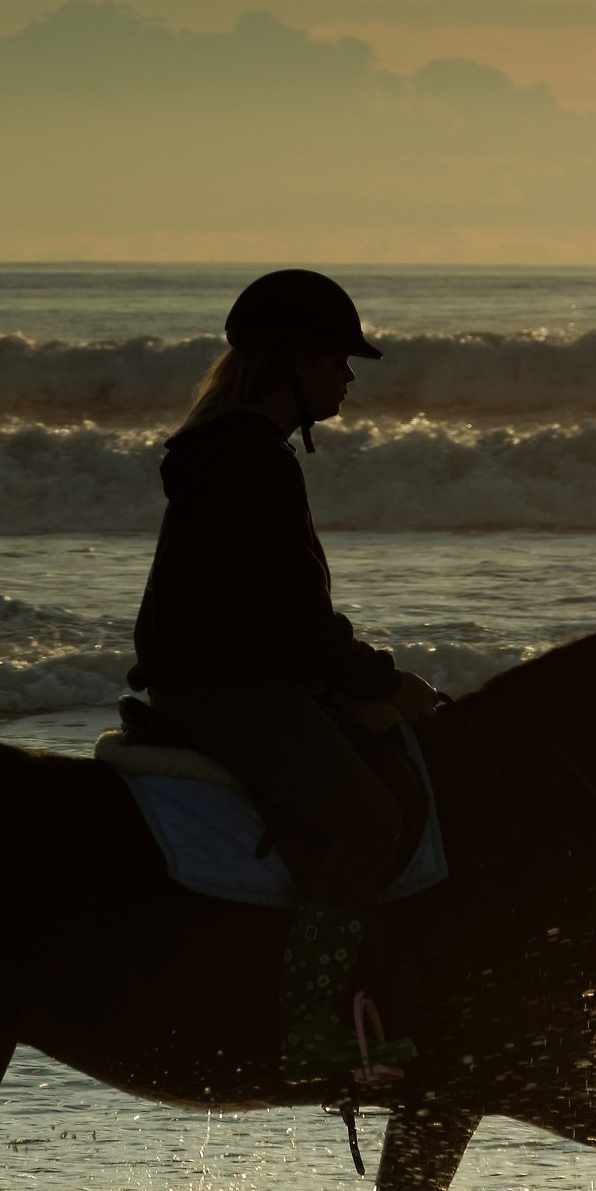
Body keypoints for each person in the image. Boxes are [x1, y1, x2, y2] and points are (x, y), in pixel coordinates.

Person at [128, 268, 440, 1082]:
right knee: (369, 819)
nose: (347, 377)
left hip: (224, 677)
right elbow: (295, 622)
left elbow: (272, 616)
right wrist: (377, 680)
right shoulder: (252, 462)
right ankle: (311, 1026)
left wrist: (344, 683)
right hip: (228, 690)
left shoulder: (225, 451)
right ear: (297, 361)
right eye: (338, 359)